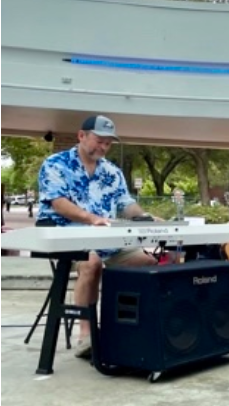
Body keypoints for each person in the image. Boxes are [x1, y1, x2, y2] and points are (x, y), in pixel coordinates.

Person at [36, 114, 157, 359]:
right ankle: (86, 335)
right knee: (92, 264)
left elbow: (125, 204)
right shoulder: (55, 164)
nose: (103, 147)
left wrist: (145, 217)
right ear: (81, 135)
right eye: (99, 141)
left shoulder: (112, 171)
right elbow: (58, 203)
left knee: (149, 266)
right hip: (68, 236)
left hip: (108, 239)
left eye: (108, 143)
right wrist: (91, 219)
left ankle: (128, 328)